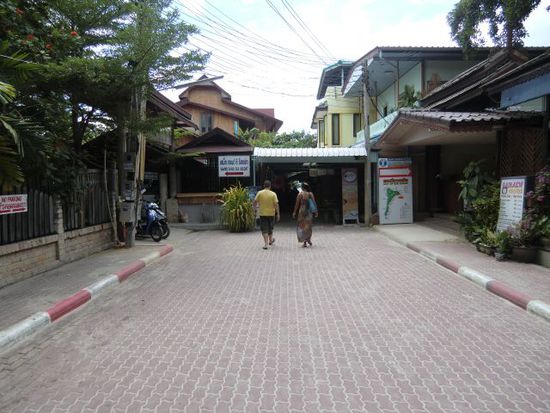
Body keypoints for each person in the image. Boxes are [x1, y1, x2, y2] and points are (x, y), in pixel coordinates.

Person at [253, 180, 280, 250]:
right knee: (270, 228)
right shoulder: (273, 194)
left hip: (262, 214)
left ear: (264, 186)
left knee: (264, 229)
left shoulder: (259, 193)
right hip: (271, 214)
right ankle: (270, 241)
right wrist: (278, 214)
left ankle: (266, 244)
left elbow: (254, 202)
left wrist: (255, 209)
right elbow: (276, 204)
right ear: (270, 186)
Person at [292, 182, 318, 247]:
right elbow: (314, 203)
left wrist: (294, 212)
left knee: (302, 226)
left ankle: (304, 242)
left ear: (302, 187)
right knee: (308, 226)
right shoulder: (310, 194)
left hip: (302, 211)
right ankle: (308, 239)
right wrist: (316, 211)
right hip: (309, 212)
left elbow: (297, 204)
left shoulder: (300, 194)